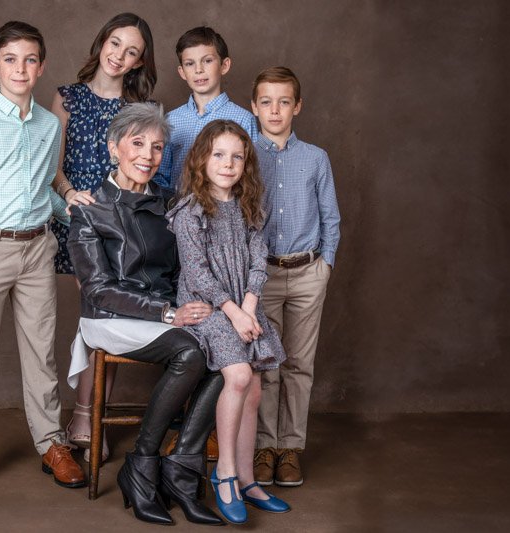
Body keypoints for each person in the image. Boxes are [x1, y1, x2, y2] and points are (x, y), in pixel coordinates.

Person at [0, 21, 85, 500]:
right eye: (10, 59)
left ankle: (51, 443)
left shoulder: (48, 126)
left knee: (41, 354)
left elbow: (46, 188)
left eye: (30, 60)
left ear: (41, 66)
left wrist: (77, 214)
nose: (20, 68)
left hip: (37, 249)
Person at [67, 103, 224, 526]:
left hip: (166, 315)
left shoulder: (171, 204)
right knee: (191, 353)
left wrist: (198, 309)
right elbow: (99, 290)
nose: (148, 155)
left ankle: (181, 470)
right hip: (110, 319)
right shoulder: (88, 209)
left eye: (157, 147)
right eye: (138, 143)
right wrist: (169, 313)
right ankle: (142, 462)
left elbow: (183, 269)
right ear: (114, 146)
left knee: (226, 351)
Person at [167, 120, 291, 524]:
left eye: (237, 156)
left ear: (246, 164)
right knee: (237, 375)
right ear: (202, 159)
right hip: (207, 308)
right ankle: (223, 476)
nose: (228, 163)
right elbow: (197, 272)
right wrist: (233, 311)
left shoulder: (249, 204)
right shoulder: (189, 212)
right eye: (219, 154)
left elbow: (259, 256)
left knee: (253, 386)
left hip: (244, 303)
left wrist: (250, 304)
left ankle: (248, 480)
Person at [49, 13, 157, 463]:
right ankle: (86, 416)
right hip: (79, 221)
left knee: (110, 316)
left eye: (131, 51)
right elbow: (51, 169)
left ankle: (89, 417)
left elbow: (148, 169)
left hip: (125, 227)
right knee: (99, 312)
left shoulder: (143, 110)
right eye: (115, 44)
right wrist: (72, 194)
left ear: (138, 62)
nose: (120, 56)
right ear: (102, 43)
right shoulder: (66, 98)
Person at [250, 67, 341, 488]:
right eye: (266, 101)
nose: (275, 109)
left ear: (297, 107)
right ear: (254, 107)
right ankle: (264, 446)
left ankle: (291, 448)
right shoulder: (246, 154)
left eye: (284, 102)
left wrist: (325, 266)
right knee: (267, 364)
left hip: (307, 274)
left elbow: (331, 218)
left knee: (299, 364)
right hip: (261, 276)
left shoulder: (316, 158)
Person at [152, 26, 257, 194]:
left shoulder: (243, 119)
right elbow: (161, 176)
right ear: (182, 72)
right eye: (189, 63)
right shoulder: (170, 120)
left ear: (224, 65)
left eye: (207, 61)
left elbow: (251, 176)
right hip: (177, 212)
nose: (198, 69)